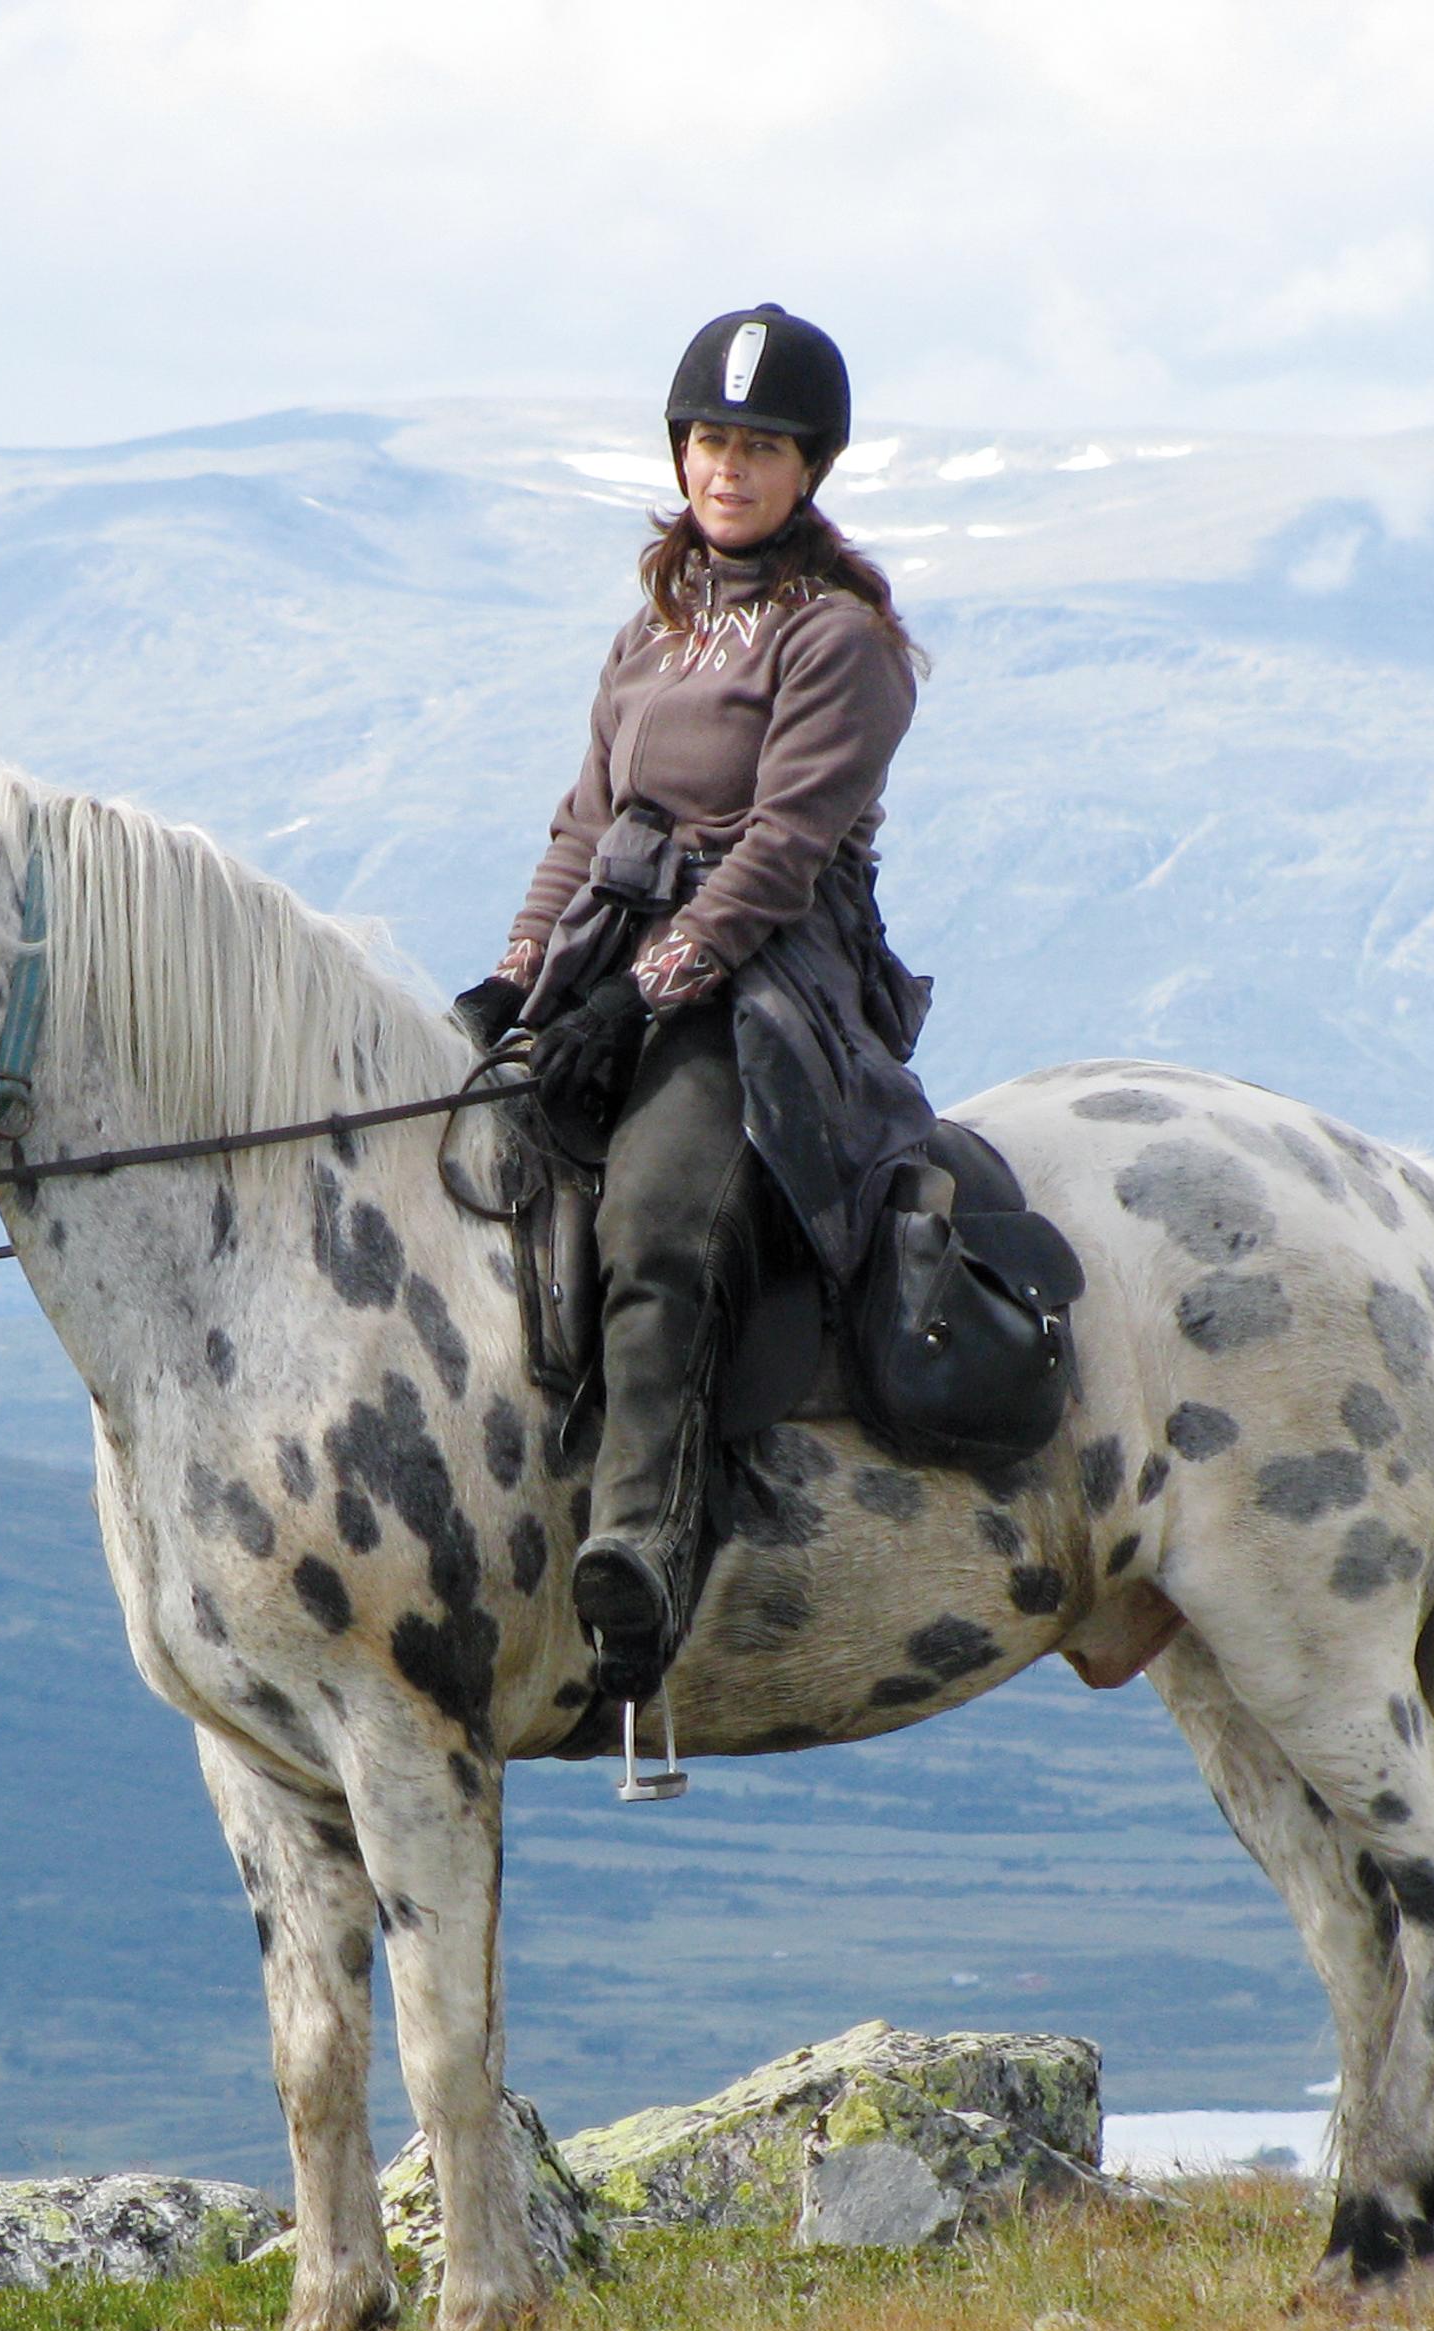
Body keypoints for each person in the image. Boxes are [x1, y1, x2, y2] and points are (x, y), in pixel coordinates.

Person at [456, 302, 937, 1709]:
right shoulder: (646, 636)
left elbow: (784, 853)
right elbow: (581, 827)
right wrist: (518, 977)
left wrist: (653, 992)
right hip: (610, 953)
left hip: (772, 980)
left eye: (763, 447)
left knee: (661, 1210)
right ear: (681, 454)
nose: (730, 468)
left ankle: (648, 1548)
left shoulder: (838, 641)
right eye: (712, 440)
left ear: (810, 469)